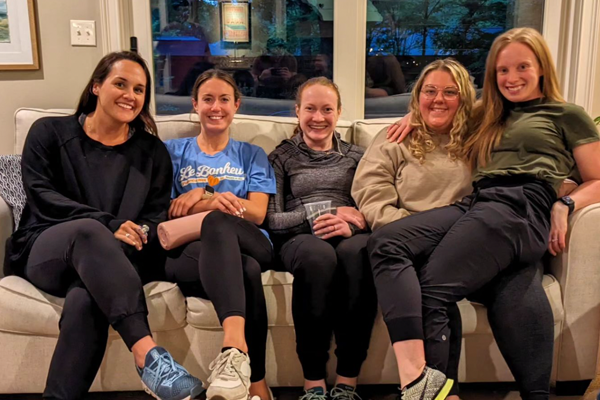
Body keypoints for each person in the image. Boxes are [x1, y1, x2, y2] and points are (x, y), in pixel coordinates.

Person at [365, 27, 600, 400]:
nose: (511, 78)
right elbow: (442, 105)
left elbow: (598, 178)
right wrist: (416, 117)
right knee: (386, 241)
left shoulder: (566, 114)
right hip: (478, 203)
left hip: (519, 206)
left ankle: (433, 392)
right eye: (502, 71)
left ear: (541, 68)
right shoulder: (488, 113)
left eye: (522, 67)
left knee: (430, 289)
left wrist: (565, 202)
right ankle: (437, 389)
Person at [3, 51, 204, 400]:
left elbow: (154, 216)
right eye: (120, 84)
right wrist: (107, 224)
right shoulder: (50, 132)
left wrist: (133, 234)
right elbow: (42, 195)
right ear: (96, 86)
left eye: (140, 89)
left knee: (86, 299)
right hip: (47, 249)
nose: (131, 95)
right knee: (89, 231)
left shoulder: (152, 152)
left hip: (114, 262)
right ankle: (148, 356)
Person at [353, 58, 475, 400]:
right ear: (416, 95)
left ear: (465, 99)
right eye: (430, 91)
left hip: (461, 240)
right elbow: (371, 197)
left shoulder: (479, 140)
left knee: (430, 274)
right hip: (405, 239)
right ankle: (441, 392)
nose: (438, 99)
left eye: (450, 93)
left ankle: (423, 387)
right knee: (428, 280)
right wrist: (413, 233)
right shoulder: (393, 138)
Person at [163, 69, 276, 400]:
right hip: (194, 252)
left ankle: (233, 347)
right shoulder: (172, 152)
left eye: (224, 99)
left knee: (217, 222)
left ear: (236, 105)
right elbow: (166, 210)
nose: (216, 107)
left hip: (252, 241)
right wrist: (209, 199)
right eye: (208, 99)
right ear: (195, 105)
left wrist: (202, 199)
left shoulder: (251, 154)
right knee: (246, 270)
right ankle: (255, 382)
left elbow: (256, 212)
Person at [266, 77, 377, 400]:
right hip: (299, 240)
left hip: (347, 237)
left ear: (339, 112)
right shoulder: (281, 157)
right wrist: (324, 211)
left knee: (358, 253)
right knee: (319, 258)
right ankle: (313, 382)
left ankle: (347, 382)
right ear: (297, 112)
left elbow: (371, 209)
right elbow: (272, 218)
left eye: (327, 109)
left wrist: (354, 226)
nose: (318, 117)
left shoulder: (357, 156)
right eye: (310, 109)